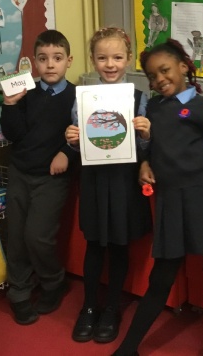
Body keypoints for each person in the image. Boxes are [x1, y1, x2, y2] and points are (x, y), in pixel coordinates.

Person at [112, 39, 203, 356]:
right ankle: (128, 348)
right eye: (152, 76)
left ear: (183, 67)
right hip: (171, 201)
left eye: (165, 70)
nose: (159, 79)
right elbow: (152, 144)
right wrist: (144, 163)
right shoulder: (153, 107)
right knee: (161, 278)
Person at [65, 27, 152, 344]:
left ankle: (112, 308)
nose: (110, 64)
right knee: (94, 244)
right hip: (95, 181)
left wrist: (145, 134)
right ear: (93, 60)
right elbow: (81, 144)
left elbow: (143, 149)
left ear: (128, 59)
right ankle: (89, 306)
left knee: (118, 245)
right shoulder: (83, 98)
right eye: (102, 58)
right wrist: (72, 140)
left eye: (117, 57)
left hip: (124, 182)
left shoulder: (139, 99)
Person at [0, 29, 78, 325]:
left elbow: (82, 135)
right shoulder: (26, 93)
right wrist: (9, 104)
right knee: (17, 236)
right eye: (43, 59)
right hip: (20, 172)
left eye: (57, 58)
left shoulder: (77, 96)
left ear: (69, 60)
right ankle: (18, 291)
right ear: (34, 62)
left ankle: (53, 281)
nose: (50, 64)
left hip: (51, 177)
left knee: (38, 236)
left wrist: (66, 153)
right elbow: (13, 133)